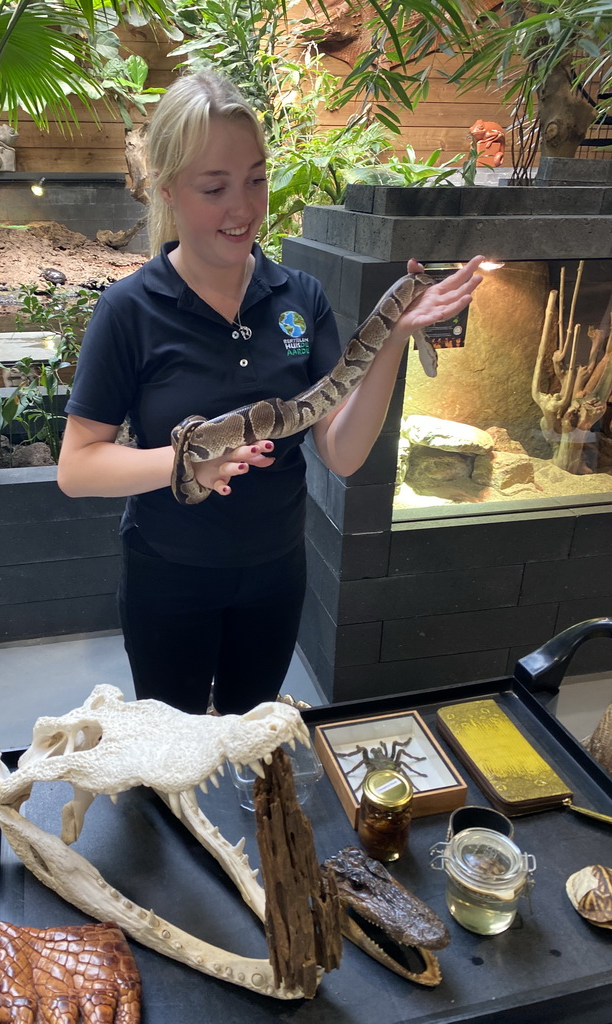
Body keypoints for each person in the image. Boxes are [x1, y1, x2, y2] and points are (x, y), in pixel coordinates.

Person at [57, 70, 483, 716]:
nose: (244, 207)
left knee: (252, 743)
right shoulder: (129, 310)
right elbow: (77, 465)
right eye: (215, 187)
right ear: (168, 190)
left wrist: (391, 342)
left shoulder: (299, 299)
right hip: (167, 580)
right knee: (174, 758)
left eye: (255, 178)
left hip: (274, 576)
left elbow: (339, 452)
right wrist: (183, 462)